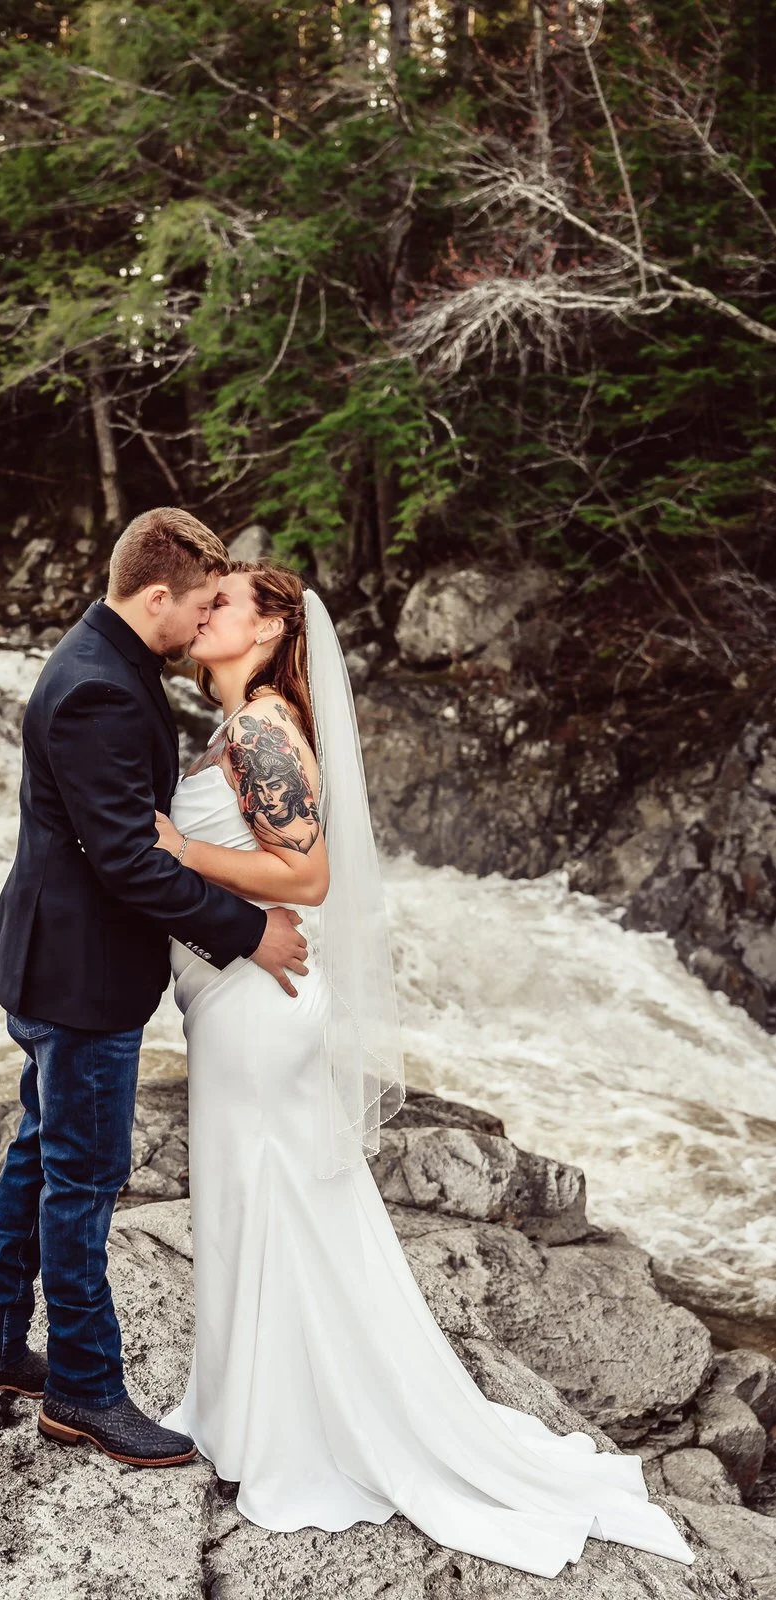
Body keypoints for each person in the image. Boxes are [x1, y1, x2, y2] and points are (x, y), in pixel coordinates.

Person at [150, 560, 696, 1577]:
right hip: (234, 1000)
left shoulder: (265, 724)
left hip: (264, 1004)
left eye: (222, 600)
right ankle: (249, 1409)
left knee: (269, 1199)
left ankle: (293, 1433)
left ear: (271, 628)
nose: (202, 610)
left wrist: (182, 849)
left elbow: (307, 871)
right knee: (250, 1201)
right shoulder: (234, 729)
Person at [0, 510, 308, 1468]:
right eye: (194, 607)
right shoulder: (100, 689)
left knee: (39, 1153)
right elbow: (128, 864)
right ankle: (84, 1391)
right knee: (83, 1180)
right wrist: (249, 933)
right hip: (80, 976)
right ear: (155, 596)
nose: (199, 625)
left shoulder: (102, 658)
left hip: (52, 959)